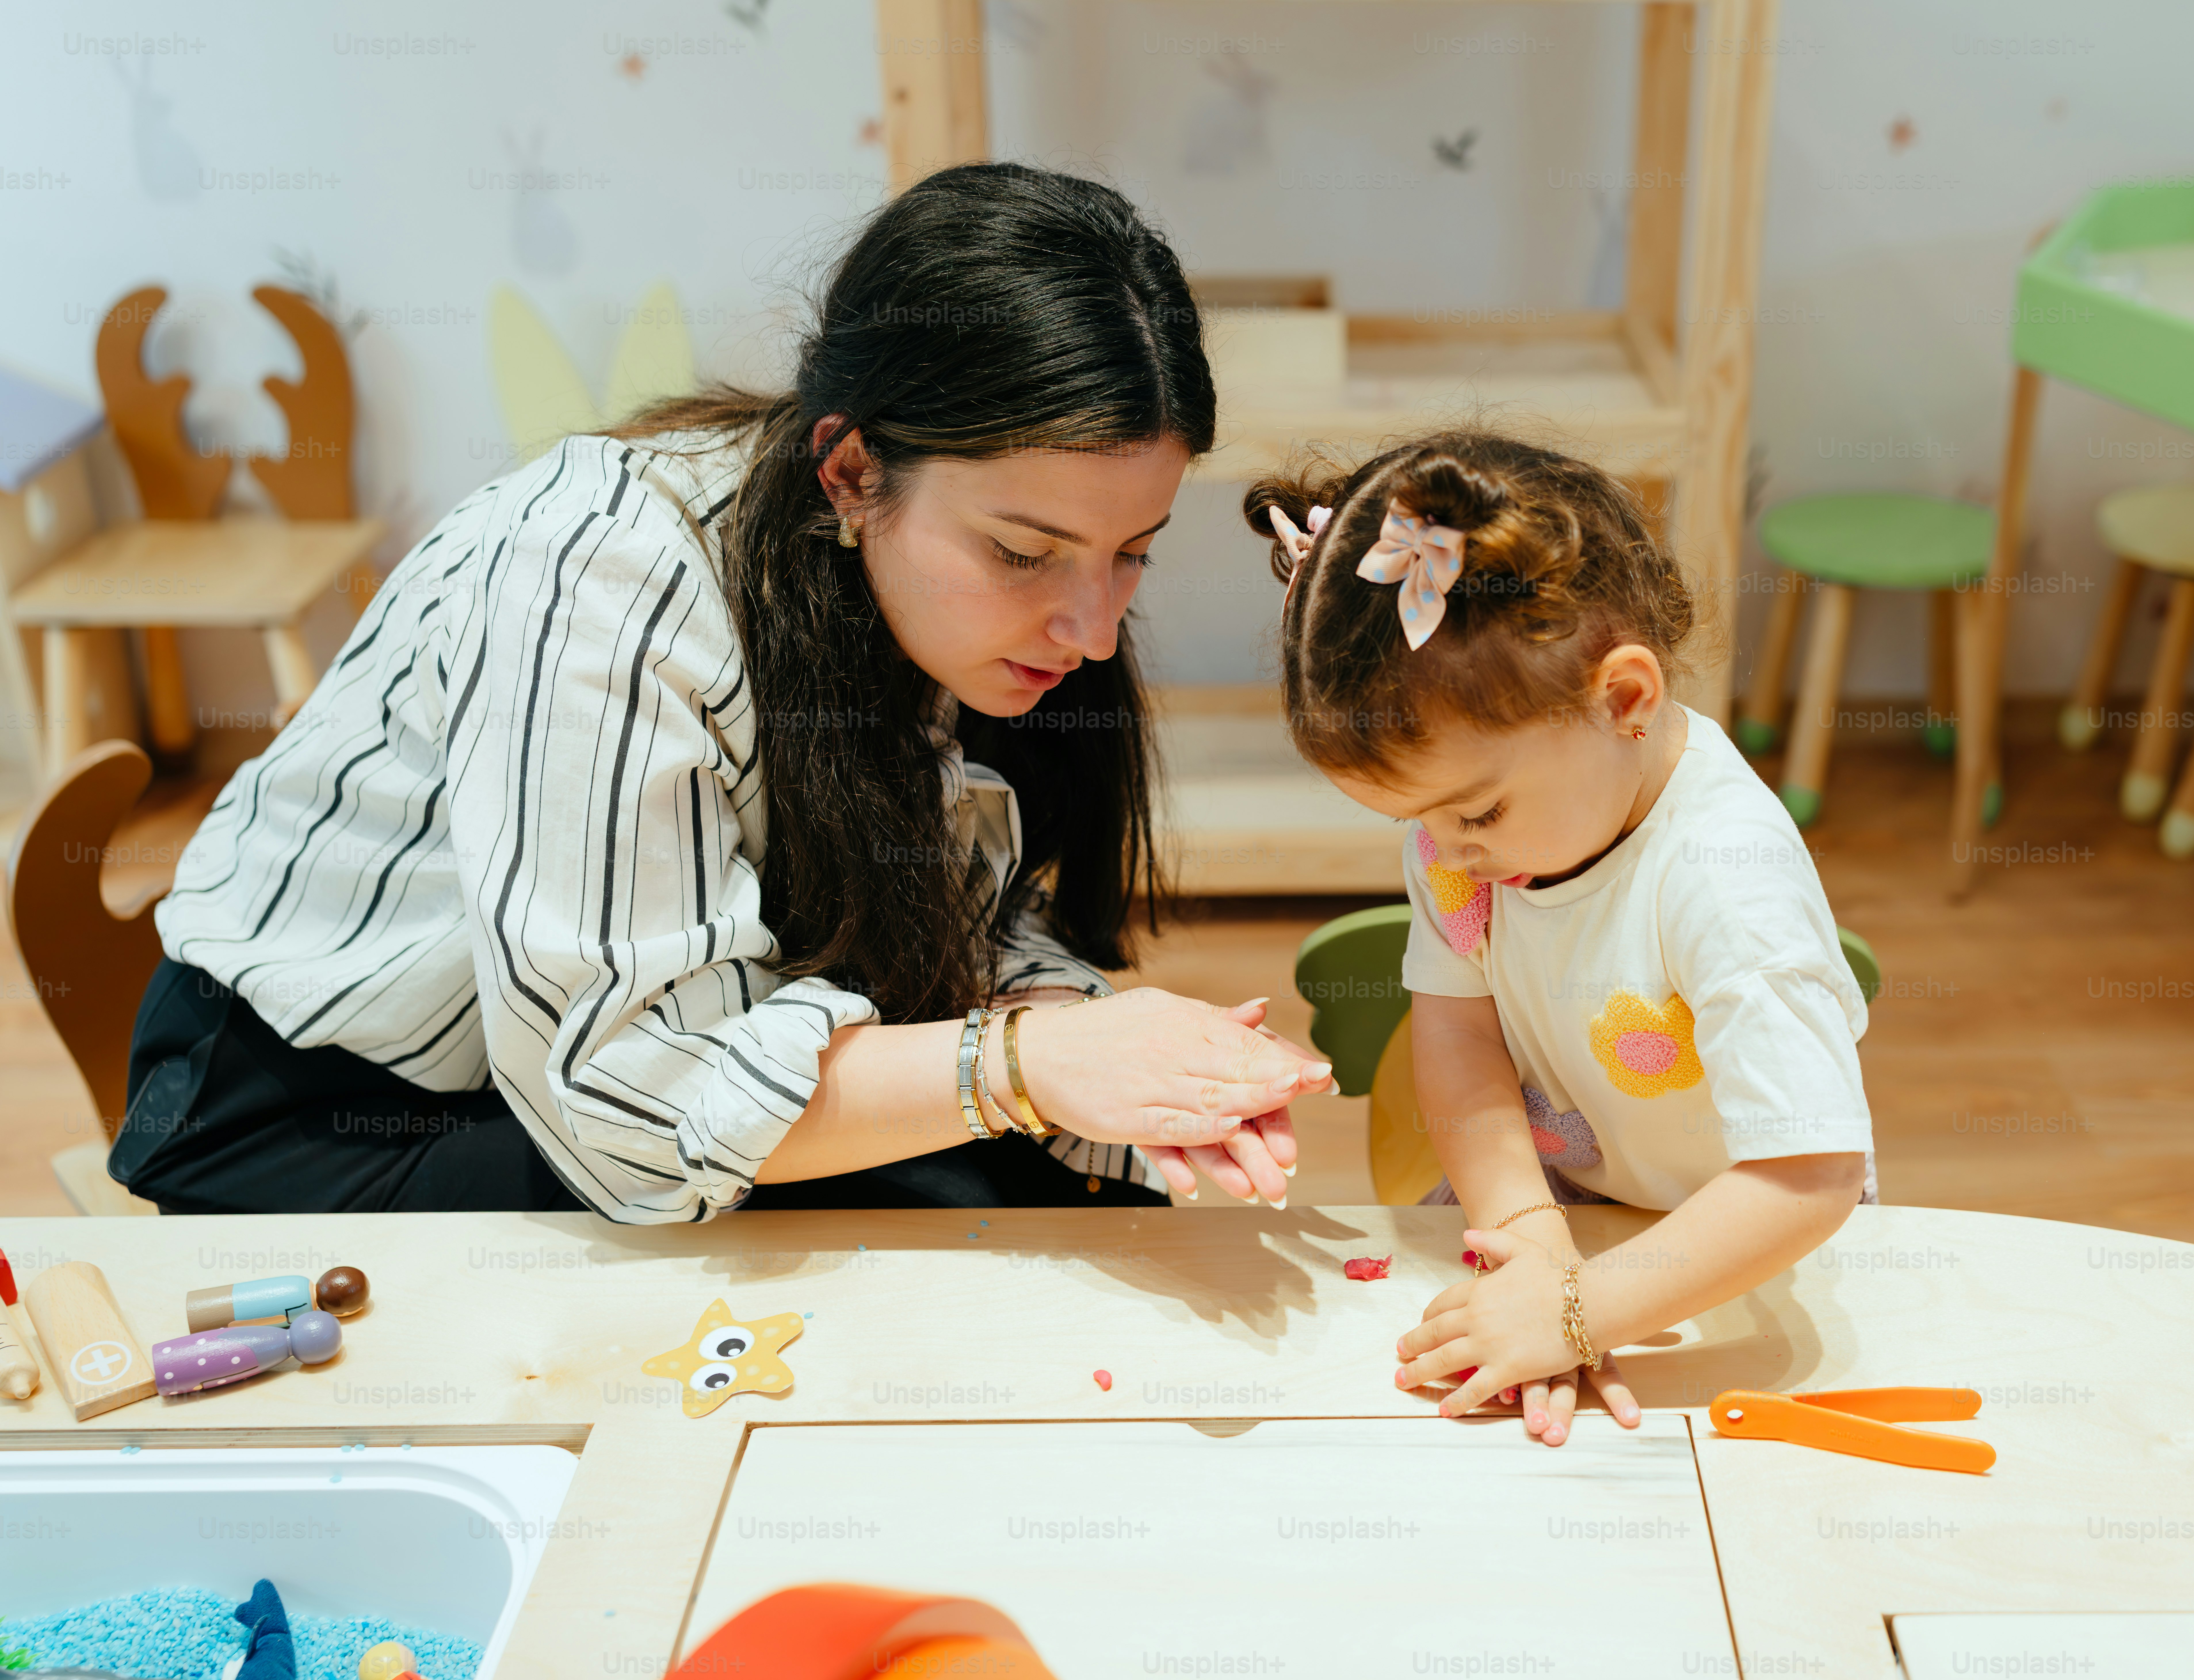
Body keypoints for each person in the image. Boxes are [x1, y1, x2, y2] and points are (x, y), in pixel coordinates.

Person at [110, 163, 1330, 1219]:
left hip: (595, 1058)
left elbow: (937, 924)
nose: (1095, 626)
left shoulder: (918, 578)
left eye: (1136, 551)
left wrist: (1111, 1063)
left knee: (1042, 1189)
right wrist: (1025, 1061)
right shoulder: (594, 573)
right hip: (322, 1114)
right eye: (1024, 552)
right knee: (940, 1206)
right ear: (851, 469)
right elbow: (635, 1112)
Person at [1246, 431, 1875, 1444]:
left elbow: (1809, 1177)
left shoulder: (1726, 881)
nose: (1446, 850)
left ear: (1624, 700)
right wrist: (1537, 1249)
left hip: (1743, 1241)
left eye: (1478, 815)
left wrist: (1578, 1310)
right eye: (1420, 820)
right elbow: (1458, 1044)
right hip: (1553, 1193)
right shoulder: (1463, 835)